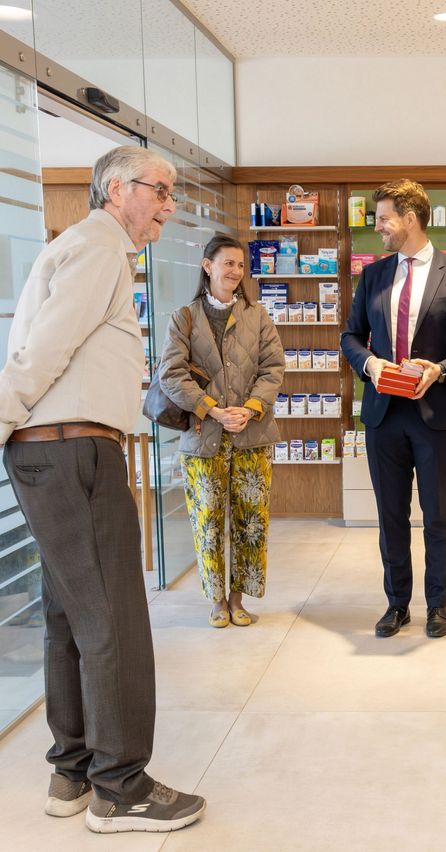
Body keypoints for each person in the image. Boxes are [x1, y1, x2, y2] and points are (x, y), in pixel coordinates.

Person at [0, 146, 207, 833]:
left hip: (51, 451)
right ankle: (121, 787)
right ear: (117, 190)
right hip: (74, 452)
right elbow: (44, 348)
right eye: (161, 190)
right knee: (113, 616)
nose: (169, 205)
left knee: (70, 614)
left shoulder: (88, 249)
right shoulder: (97, 248)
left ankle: (74, 770)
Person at [341, 179, 446, 638]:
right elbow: (350, 336)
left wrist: (442, 370)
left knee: (437, 516)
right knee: (391, 515)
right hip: (384, 414)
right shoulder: (373, 275)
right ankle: (396, 604)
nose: (377, 227)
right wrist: (369, 363)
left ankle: (437, 606)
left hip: (435, 415)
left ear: (410, 218)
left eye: (384, 218)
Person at [157, 235, 285, 628]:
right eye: (228, 263)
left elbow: (273, 368)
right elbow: (171, 374)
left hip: (252, 434)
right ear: (207, 266)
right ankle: (216, 600)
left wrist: (250, 408)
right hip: (202, 436)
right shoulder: (184, 317)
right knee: (208, 520)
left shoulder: (257, 316)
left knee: (251, 520)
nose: (235, 271)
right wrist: (212, 409)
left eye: (240, 265)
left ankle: (238, 598)